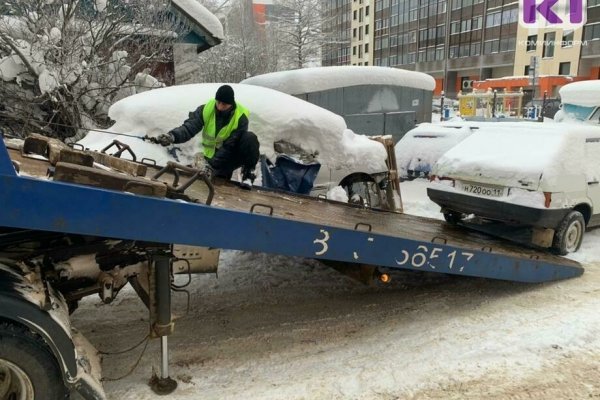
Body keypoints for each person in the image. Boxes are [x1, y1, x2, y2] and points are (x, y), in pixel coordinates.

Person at [153, 85, 259, 189]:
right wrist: (173, 136)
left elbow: (229, 146)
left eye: (225, 104)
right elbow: (189, 127)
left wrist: (212, 167)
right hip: (210, 157)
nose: (221, 107)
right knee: (213, 185)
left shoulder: (240, 118)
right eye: (219, 102)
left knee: (250, 138)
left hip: (229, 157)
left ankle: (248, 174)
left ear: (231, 104)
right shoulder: (206, 109)